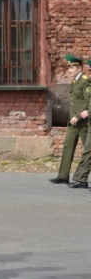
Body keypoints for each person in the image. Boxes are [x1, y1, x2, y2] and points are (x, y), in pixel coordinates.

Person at [51, 54, 90, 185]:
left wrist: (78, 116)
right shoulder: (75, 81)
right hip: (72, 122)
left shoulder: (86, 81)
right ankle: (63, 175)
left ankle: (82, 178)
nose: (69, 71)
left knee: (88, 150)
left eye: (72, 68)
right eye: (69, 68)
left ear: (79, 68)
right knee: (68, 147)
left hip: (83, 122)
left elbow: (87, 102)